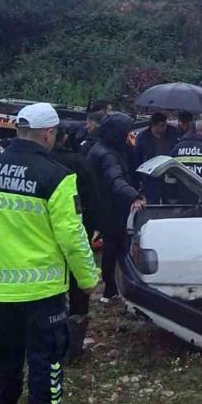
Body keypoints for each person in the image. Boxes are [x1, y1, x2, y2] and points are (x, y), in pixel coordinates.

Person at [0, 103, 99, 404]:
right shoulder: (56, 175)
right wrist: (88, 278)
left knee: (2, 356)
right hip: (41, 290)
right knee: (46, 359)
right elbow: (72, 235)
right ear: (49, 133)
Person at [50, 121, 102, 359]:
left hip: (42, 241)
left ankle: (49, 338)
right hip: (76, 230)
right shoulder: (78, 162)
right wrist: (91, 229)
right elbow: (93, 197)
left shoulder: (38, 164)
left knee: (51, 293)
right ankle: (73, 346)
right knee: (79, 290)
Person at [88, 113, 146, 303]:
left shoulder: (106, 149)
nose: (128, 136)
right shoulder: (107, 154)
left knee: (115, 247)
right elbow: (115, 180)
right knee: (115, 248)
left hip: (106, 205)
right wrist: (135, 196)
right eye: (126, 132)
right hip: (110, 208)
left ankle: (114, 287)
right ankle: (111, 289)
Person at [133, 112, 176, 204]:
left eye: (165, 125)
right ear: (154, 125)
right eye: (161, 125)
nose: (164, 128)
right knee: (152, 200)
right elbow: (137, 157)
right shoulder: (143, 137)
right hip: (150, 175)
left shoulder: (171, 133)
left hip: (168, 173)